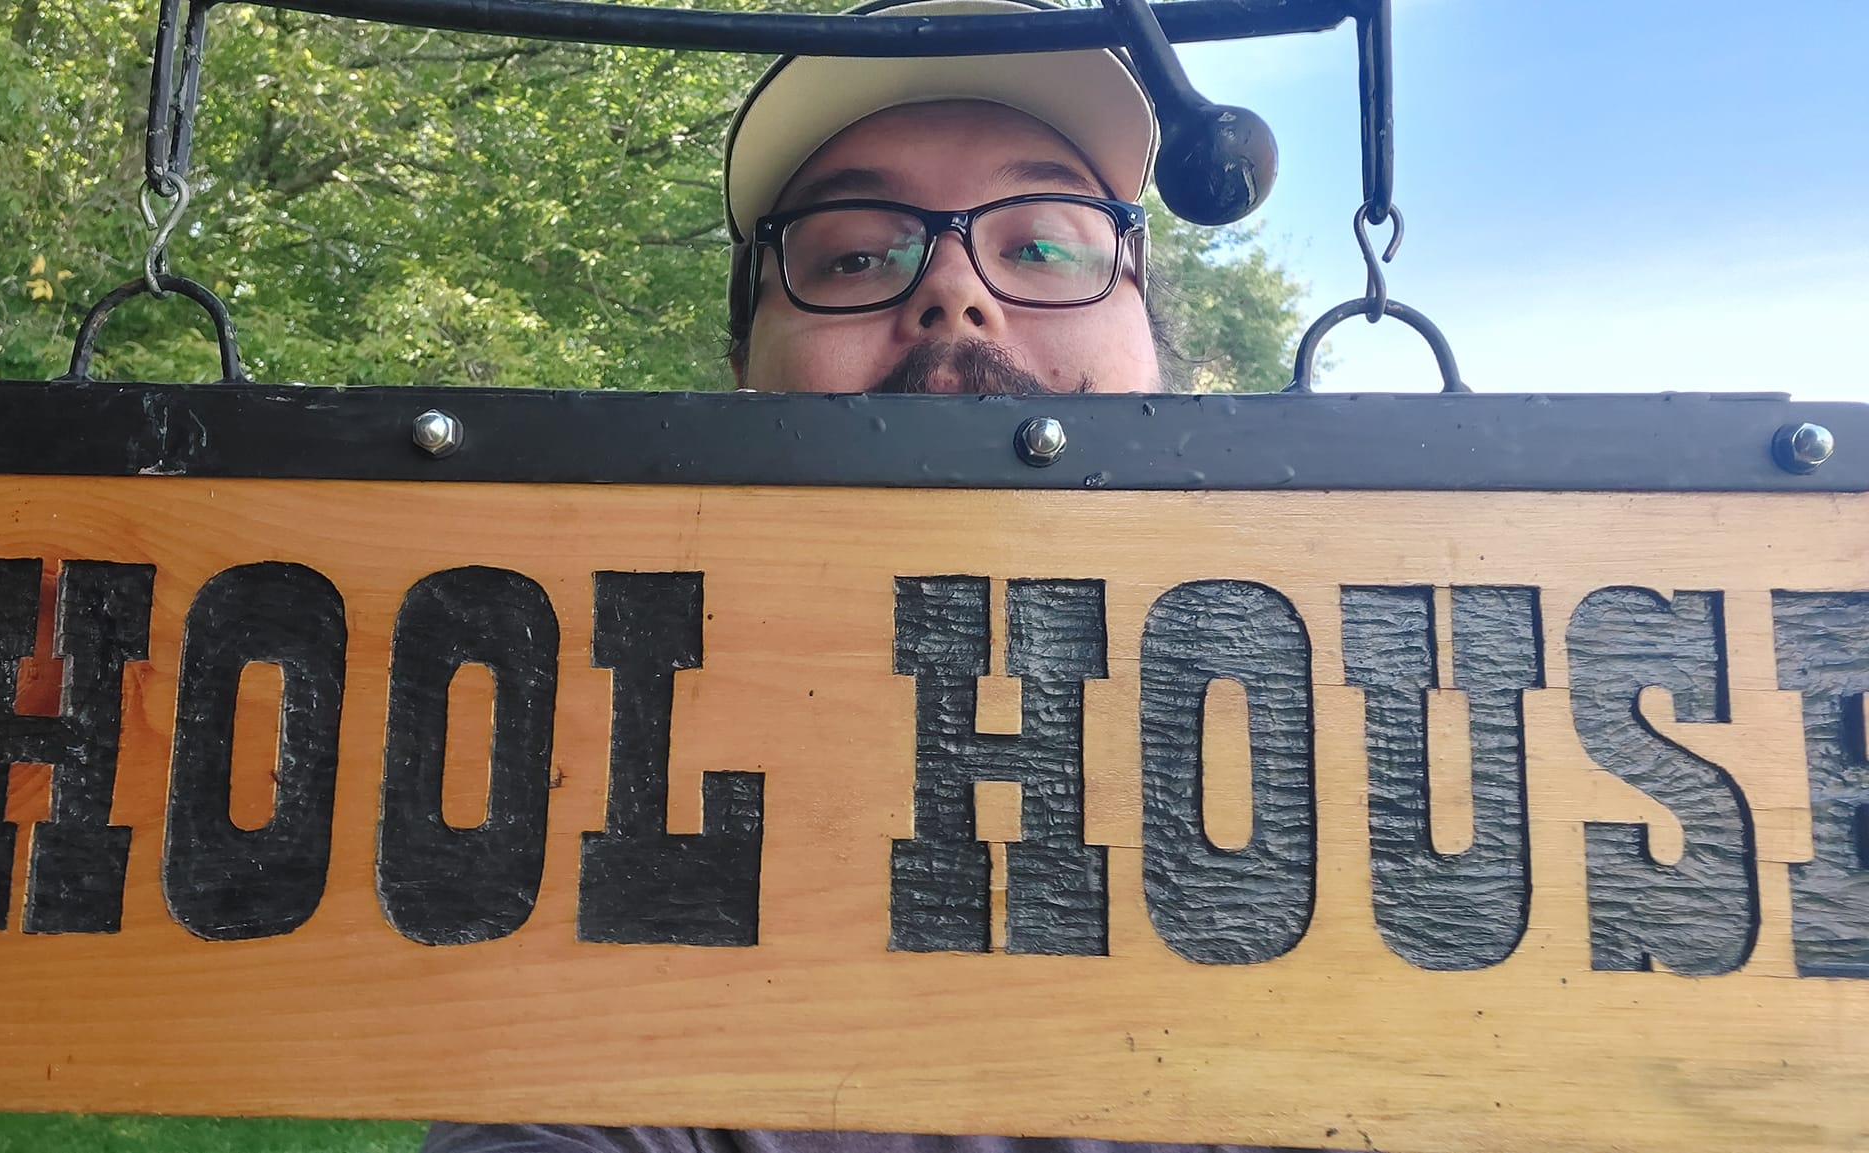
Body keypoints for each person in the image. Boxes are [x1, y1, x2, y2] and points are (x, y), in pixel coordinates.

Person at [425, 2, 1332, 1151]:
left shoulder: (1369, 762)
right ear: (742, 369)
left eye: (1043, 245)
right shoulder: (610, 794)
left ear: (1160, 347)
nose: (954, 294)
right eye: (856, 252)